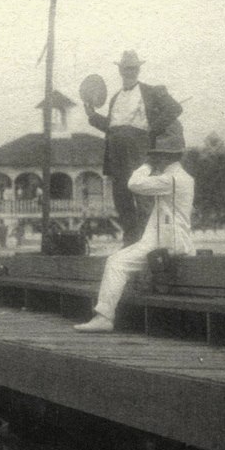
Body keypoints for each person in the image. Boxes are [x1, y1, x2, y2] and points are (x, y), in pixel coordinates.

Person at [75, 124, 196, 333]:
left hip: (165, 241)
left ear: (164, 158)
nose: (155, 160)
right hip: (173, 238)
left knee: (115, 262)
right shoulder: (184, 178)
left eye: (156, 157)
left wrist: (146, 166)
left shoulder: (171, 179)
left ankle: (104, 317)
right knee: (122, 262)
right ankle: (105, 315)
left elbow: (134, 184)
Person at [84, 50, 184, 246]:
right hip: (115, 151)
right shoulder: (115, 98)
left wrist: (152, 130)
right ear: (120, 70)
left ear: (138, 70)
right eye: (126, 68)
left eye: (133, 68)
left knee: (143, 195)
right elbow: (111, 127)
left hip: (139, 149)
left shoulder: (150, 91)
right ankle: (130, 243)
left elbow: (175, 109)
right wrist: (92, 116)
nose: (130, 71)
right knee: (122, 199)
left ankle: (149, 246)